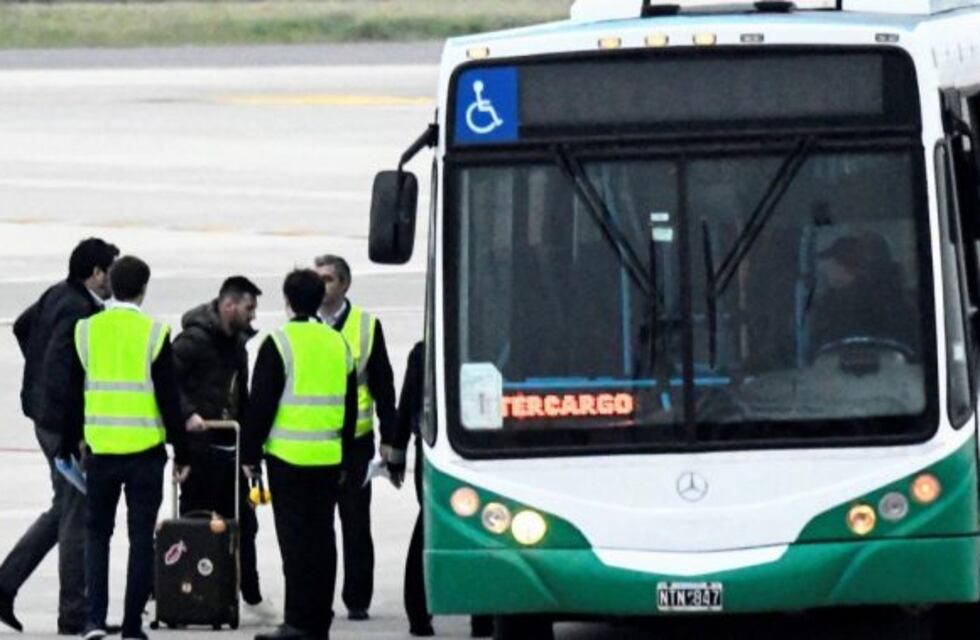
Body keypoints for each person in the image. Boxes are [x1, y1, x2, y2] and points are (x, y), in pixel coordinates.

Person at [59, 255, 191, 640]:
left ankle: (94, 620)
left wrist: (71, 442)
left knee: (97, 536)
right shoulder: (154, 332)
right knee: (140, 540)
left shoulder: (86, 330)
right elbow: (169, 398)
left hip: (100, 451)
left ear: (111, 284)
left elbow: (73, 393)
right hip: (145, 453)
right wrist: (182, 451)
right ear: (144, 289)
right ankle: (132, 625)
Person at [0, 238, 119, 635]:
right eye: (110, 270)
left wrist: (35, 368)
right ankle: (74, 612)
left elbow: (21, 326)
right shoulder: (81, 310)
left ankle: (4, 584)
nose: (113, 278)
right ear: (96, 273)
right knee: (77, 511)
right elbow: (64, 374)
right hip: (60, 425)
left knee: (61, 510)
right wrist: (74, 433)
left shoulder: (57, 293)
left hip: (43, 415)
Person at [242, 269, 357, 640]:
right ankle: (319, 618)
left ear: (287, 301)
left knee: (295, 543)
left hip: (288, 458)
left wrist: (249, 453)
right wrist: (347, 453)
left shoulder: (279, 343)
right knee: (324, 539)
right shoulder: (338, 343)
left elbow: (261, 404)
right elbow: (351, 405)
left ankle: (297, 621)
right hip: (328, 455)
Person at [172, 276, 278, 625]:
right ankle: (172, 590)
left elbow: (242, 397)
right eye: (249, 308)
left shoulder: (237, 344)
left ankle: (249, 592)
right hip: (202, 448)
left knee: (244, 523)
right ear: (229, 305)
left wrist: (251, 450)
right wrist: (188, 415)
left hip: (231, 448)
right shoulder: (194, 341)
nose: (252, 315)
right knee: (194, 521)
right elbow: (165, 382)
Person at [313, 254, 398, 621]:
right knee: (318, 527)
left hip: (357, 441)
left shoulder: (365, 325)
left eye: (329, 280)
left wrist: (390, 439)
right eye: (317, 280)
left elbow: (384, 386)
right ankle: (318, 597)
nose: (322, 287)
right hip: (314, 440)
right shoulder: (305, 323)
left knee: (355, 524)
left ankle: (357, 598)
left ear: (345, 285)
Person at [394, 342, 494, 639]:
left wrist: (397, 449)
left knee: (428, 528)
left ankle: (419, 615)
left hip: (431, 449)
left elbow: (406, 404)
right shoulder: (487, 350)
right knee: (483, 532)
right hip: (477, 451)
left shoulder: (424, 351)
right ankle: (482, 618)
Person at [811, 233, 915, 355]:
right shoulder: (892, 299)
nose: (827, 270)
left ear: (843, 266)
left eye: (831, 263)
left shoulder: (833, 304)